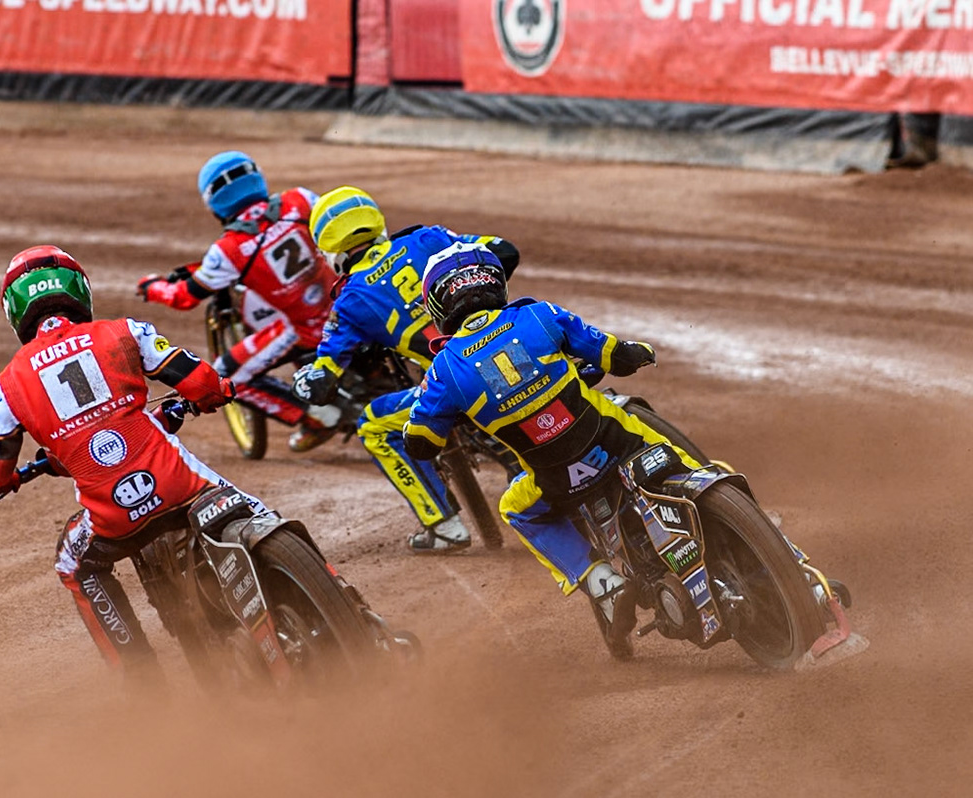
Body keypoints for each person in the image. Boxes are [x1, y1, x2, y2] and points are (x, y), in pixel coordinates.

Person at [0, 245, 258, 686]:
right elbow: (198, 380)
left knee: (73, 563)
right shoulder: (125, 330)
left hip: (111, 519)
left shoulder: (6, 385)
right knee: (255, 511)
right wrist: (214, 392)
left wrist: (8, 478)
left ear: (14, 310)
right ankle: (350, 606)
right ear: (79, 291)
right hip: (181, 484)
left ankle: (143, 681)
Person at [400, 241, 684, 651]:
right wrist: (639, 353)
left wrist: (452, 416)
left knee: (515, 508)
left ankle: (602, 582)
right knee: (676, 454)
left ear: (440, 305)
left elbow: (421, 443)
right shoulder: (539, 314)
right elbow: (613, 355)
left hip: (557, 478)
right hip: (613, 441)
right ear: (495, 282)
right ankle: (718, 492)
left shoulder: (443, 369)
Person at [293, 186, 521, 553]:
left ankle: (444, 526)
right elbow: (504, 250)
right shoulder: (426, 238)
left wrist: (304, 382)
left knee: (372, 425)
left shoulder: (350, 300)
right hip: (518, 350)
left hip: (459, 382)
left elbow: (323, 378)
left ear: (328, 249)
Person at [137, 151, 341, 452]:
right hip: (350, 301)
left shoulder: (229, 249)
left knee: (222, 375)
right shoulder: (299, 200)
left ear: (213, 201)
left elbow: (185, 297)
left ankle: (318, 415)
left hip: (306, 329)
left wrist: (153, 287)